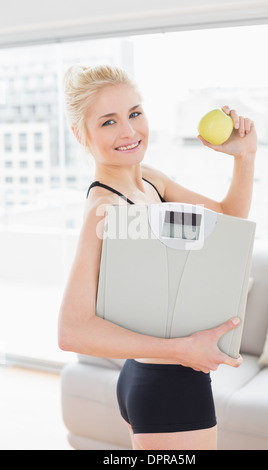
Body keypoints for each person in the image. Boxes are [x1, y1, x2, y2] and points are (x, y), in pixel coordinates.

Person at [58, 64, 257, 450]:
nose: (129, 131)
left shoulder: (150, 180)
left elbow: (229, 218)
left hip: (162, 377)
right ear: (80, 134)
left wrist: (244, 157)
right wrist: (184, 349)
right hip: (165, 386)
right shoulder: (105, 208)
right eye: (108, 122)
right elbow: (72, 331)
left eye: (134, 113)